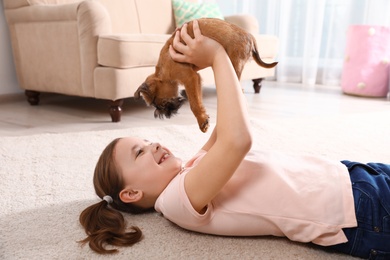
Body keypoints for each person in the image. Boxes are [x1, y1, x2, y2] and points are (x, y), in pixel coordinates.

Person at [79, 20, 390, 258]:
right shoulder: (176, 201)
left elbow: (229, 124)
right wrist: (215, 56)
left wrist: (215, 56)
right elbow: (238, 140)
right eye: (139, 153)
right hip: (359, 212)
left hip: (350, 175)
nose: (154, 145)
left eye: (146, 141)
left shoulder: (190, 167)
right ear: (132, 193)